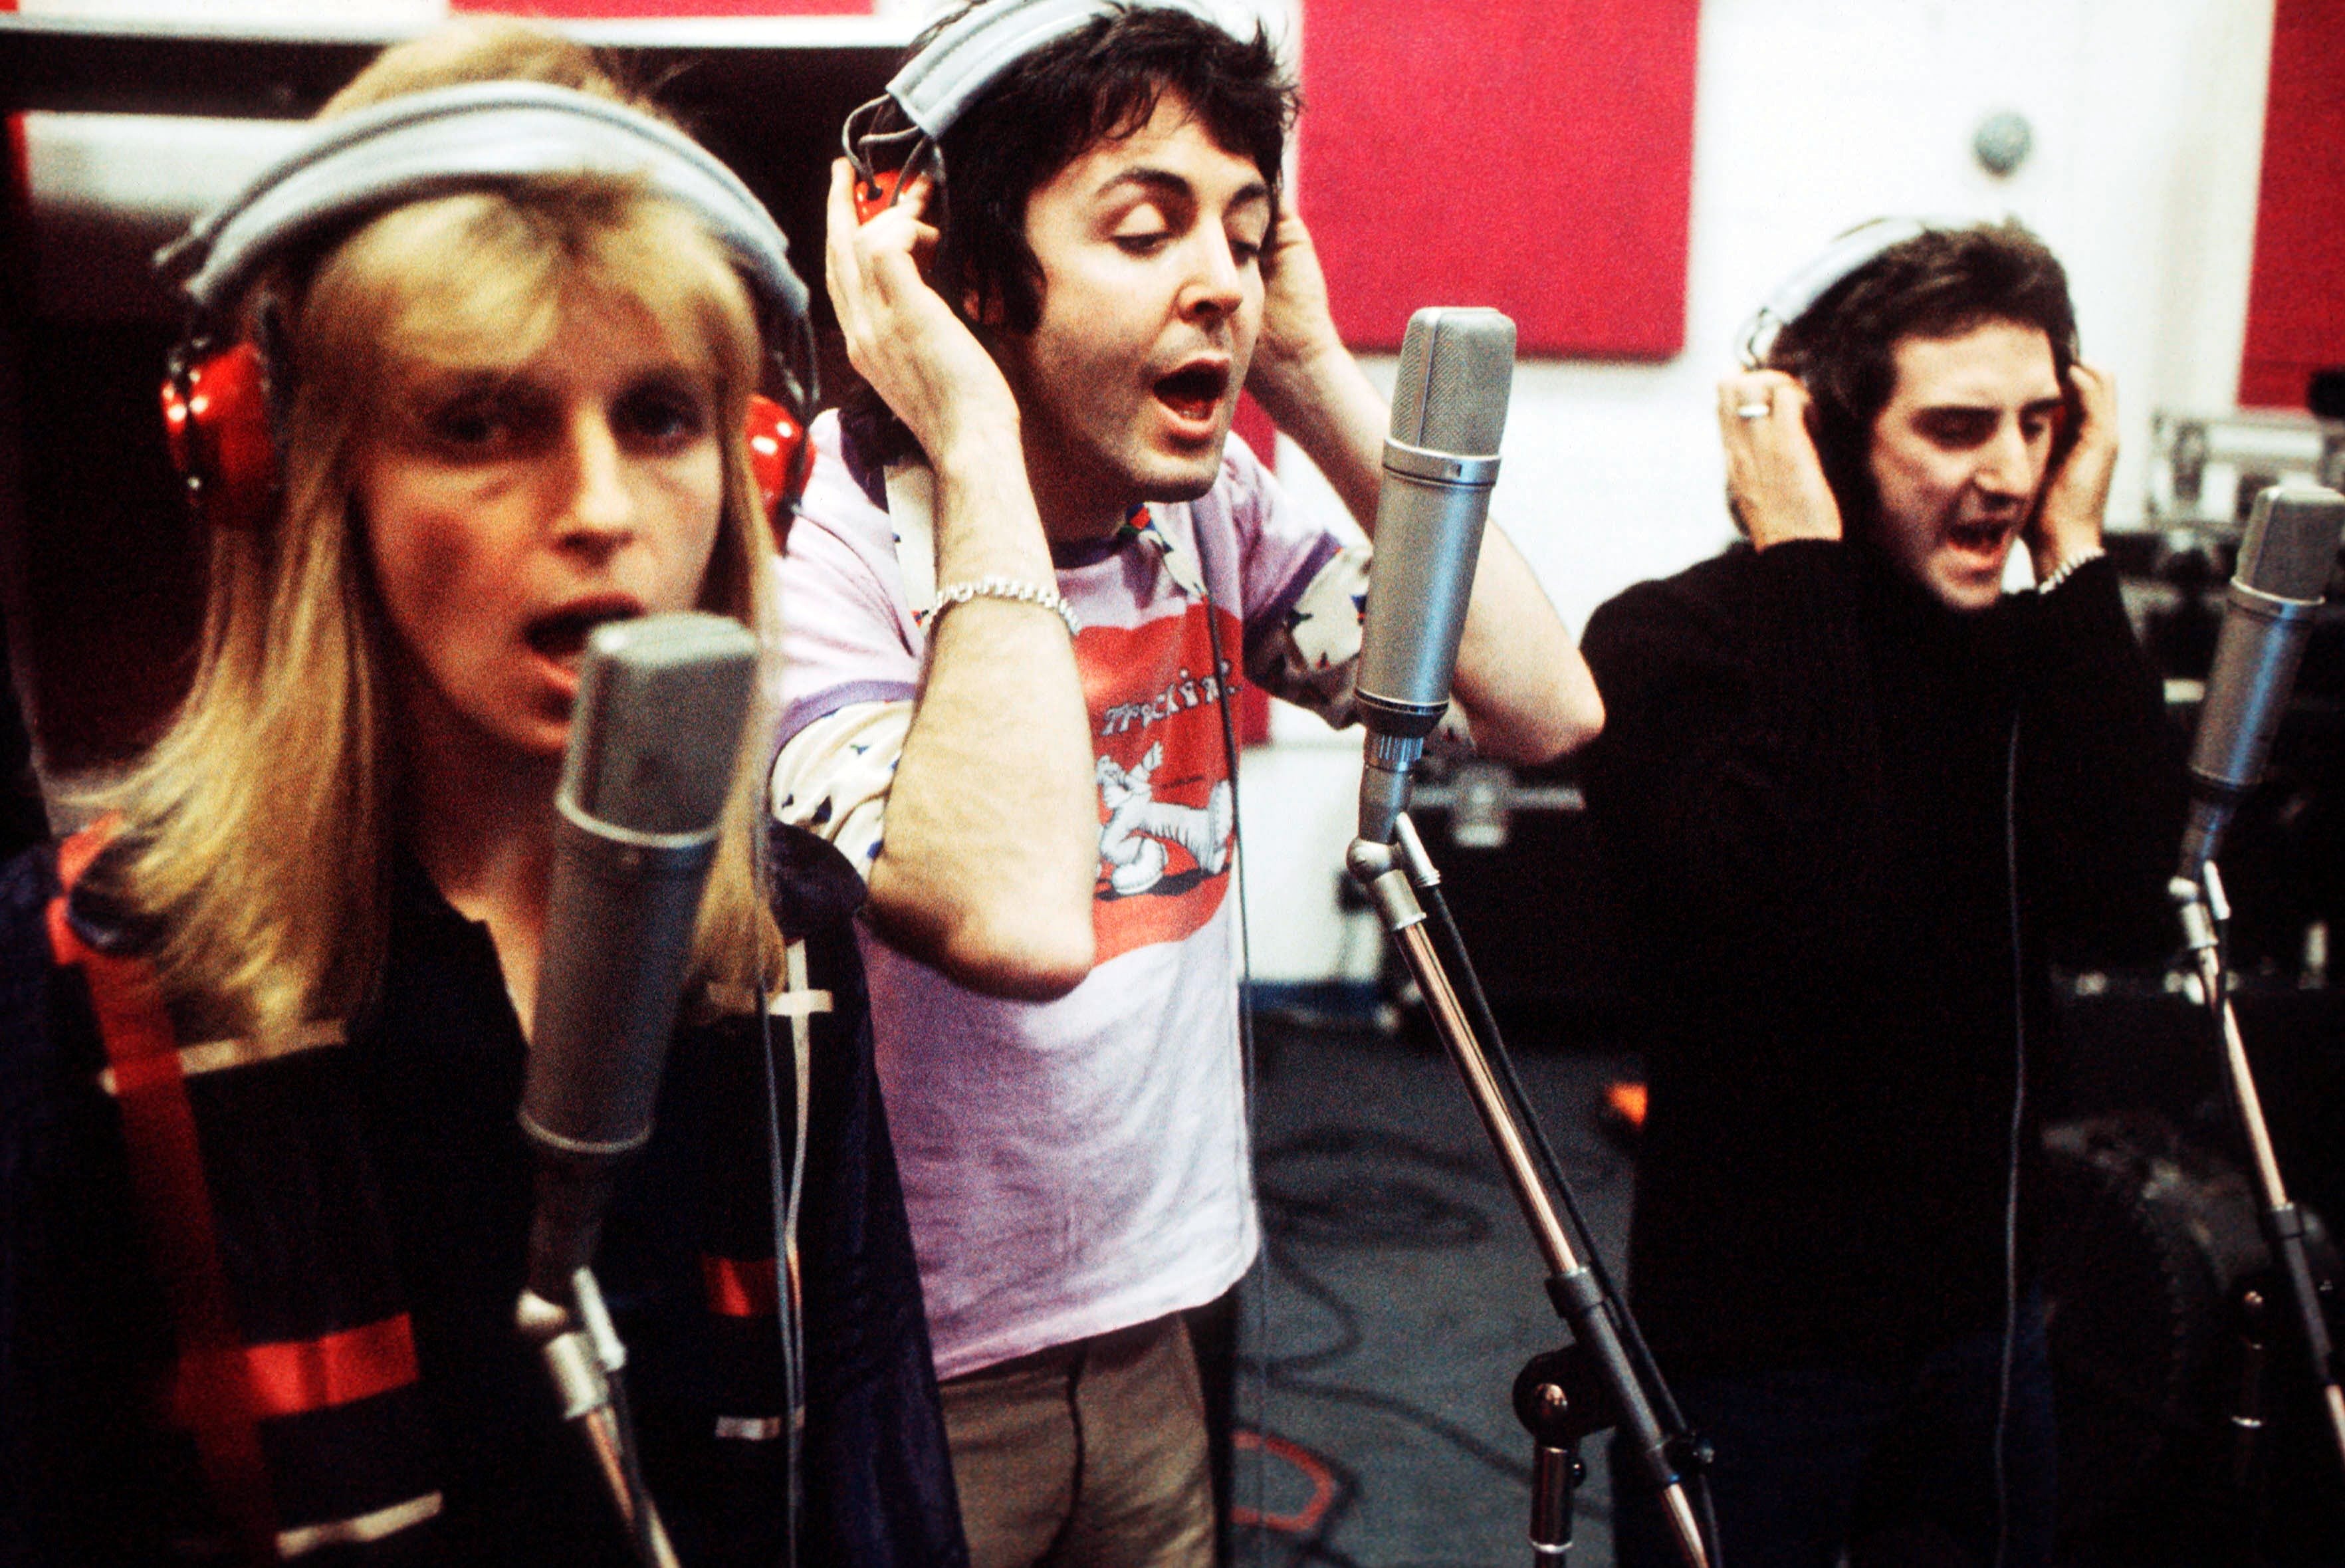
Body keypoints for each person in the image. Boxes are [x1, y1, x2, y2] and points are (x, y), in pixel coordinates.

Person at [0, 22, 961, 1566]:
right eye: (479, 422)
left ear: (752, 468)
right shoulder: (89, 975)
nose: (599, 511)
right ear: (298, 473)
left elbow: (860, 1480)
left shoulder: (774, 936)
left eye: (657, 418)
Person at [770, 1, 1604, 1560]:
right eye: (1145, 231)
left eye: (1247, 231)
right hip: (918, 1366)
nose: (1218, 280)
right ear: (947, 263)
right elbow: (1010, 923)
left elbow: (1539, 703)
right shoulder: (822, 548)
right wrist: (970, 440)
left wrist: (1312, 370)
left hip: (1165, 1320)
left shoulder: (1211, 505)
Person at [1582, 221, 2184, 1568]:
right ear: (1824, 426)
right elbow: (1820, 917)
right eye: (1961, 427)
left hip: (1991, 1327)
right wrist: (1801, 551)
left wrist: (2081, 556)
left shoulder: (2026, 653)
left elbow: (2135, 903)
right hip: (1755, 1352)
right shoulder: (1665, 646)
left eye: (2042, 423)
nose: (2013, 474)